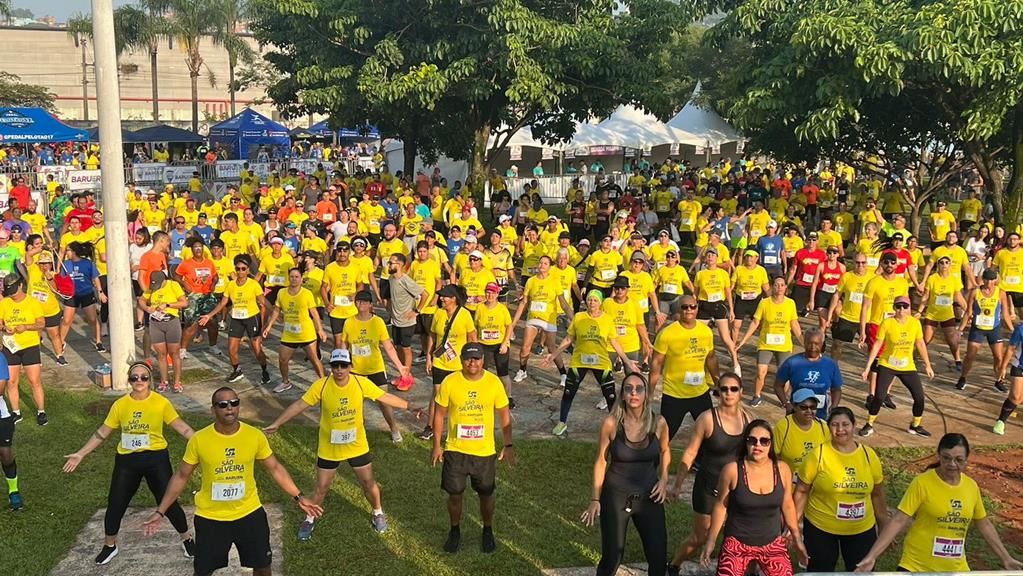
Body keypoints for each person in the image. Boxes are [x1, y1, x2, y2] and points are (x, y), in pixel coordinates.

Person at [142, 387, 323, 576]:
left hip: (249, 514)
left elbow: (275, 468)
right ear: (213, 410)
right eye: (223, 404)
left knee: (262, 567)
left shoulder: (254, 436)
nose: (229, 408)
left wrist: (299, 496)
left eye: (234, 403)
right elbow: (181, 476)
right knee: (203, 571)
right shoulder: (199, 440)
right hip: (211, 518)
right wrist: (160, 511)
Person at [263, 349, 423, 540]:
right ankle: (309, 518)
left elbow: (384, 397)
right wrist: (277, 423)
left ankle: (378, 512)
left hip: (357, 445)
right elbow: (299, 405)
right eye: (335, 365)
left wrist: (409, 406)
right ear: (331, 368)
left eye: (343, 366)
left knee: (367, 482)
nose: (339, 370)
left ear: (350, 367)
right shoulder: (321, 386)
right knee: (321, 487)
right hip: (329, 447)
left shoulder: (360, 383)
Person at [63, 362, 196, 565]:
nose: (139, 381)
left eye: (144, 377)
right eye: (134, 378)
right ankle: (110, 545)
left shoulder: (161, 403)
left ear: (150, 380)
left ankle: (187, 539)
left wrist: (203, 444)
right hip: (127, 460)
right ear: (129, 380)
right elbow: (103, 432)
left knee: (168, 501)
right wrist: (81, 454)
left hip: (156, 458)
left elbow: (182, 427)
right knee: (116, 502)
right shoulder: (120, 405)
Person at [855, 434, 1023, 573]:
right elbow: (899, 520)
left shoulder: (971, 487)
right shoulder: (922, 483)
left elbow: (984, 523)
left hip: (956, 569)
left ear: (967, 460)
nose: (952, 464)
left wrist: (1006, 558)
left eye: (959, 460)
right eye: (946, 458)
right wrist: (872, 556)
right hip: (917, 567)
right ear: (938, 455)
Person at [582, 373, 670, 576]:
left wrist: (664, 479)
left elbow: (665, 451)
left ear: (646, 394)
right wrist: (595, 499)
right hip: (616, 498)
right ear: (622, 395)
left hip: (650, 496)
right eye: (628, 388)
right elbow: (601, 460)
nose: (633, 393)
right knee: (612, 556)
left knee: (658, 556)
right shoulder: (611, 424)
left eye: (639, 388)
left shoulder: (659, 423)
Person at [430, 343, 513, 554]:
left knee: (486, 494)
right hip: (456, 450)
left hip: (484, 452)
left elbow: (504, 415)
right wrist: (437, 445)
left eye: (476, 359)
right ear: (461, 360)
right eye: (468, 358)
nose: (472, 362)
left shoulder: (494, 383)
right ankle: (455, 530)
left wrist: (508, 444)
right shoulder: (450, 381)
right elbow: (439, 414)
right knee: (455, 494)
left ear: (483, 360)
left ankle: (487, 529)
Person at [665, 372, 749, 576]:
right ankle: (674, 565)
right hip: (708, 488)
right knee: (700, 537)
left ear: (741, 393)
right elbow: (691, 452)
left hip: (735, 489)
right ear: (718, 392)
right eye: (724, 389)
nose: (728, 393)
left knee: (736, 536)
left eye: (733, 389)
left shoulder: (747, 418)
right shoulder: (707, 418)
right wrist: (677, 484)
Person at [701, 420, 806, 576]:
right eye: (752, 440)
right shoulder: (732, 470)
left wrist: (797, 538)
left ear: (771, 444)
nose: (758, 445)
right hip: (737, 543)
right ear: (746, 442)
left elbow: (787, 505)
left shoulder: (782, 469)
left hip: (772, 542)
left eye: (764, 441)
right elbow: (721, 506)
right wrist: (710, 541)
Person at [794, 407, 887, 572]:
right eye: (835, 425)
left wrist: (884, 525)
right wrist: (793, 526)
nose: (840, 430)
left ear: (854, 425)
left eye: (845, 424)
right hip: (821, 529)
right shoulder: (818, 455)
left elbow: (877, 495)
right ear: (829, 427)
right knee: (820, 572)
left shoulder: (869, 455)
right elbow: (802, 491)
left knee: (862, 571)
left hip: (861, 529)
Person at [543, 289, 639, 436]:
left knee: (610, 396)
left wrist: (626, 361)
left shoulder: (607, 319)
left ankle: (619, 425)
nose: (592, 302)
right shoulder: (579, 317)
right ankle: (562, 422)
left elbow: (614, 342)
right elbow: (569, 339)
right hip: (579, 362)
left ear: (600, 303)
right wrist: (553, 355)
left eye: (595, 300)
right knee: (568, 393)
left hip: (601, 363)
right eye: (589, 299)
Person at [342, 290, 411, 442]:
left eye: (365, 302)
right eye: (359, 301)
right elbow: (343, 345)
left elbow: (389, 347)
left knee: (384, 401)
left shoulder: (378, 322)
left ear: (370, 305)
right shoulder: (349, 322)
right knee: (355, 403)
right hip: (356, 370)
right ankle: (359, 433)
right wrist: (341, 364)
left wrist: (400, 367)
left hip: (375, 368)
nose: (361, 305)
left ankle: (394, 429)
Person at [860, 295, 934, 437]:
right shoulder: (887, 323)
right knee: (879, 397)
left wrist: (928, 365)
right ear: (894, 308)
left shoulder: (915, 324)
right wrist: (867, 367)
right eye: (898, 306)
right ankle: (869, 424)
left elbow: (920, 344)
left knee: (919, 397)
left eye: (904, 306)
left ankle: (915, 425)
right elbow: (877, 345)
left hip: (907, 366)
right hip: (887, 364)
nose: (901, 310)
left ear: (909, 308)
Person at [651, 295, 721, 440]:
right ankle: (654, 462)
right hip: (674, 395)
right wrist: (649, 392)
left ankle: (700, 462)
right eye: (685, 307)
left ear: (697, 309)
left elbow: (711, 358)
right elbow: (656, 363)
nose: (689, 310)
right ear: (678, 309)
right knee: (663, 438)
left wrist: (718, 382)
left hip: (700, 393)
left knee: (711, 437)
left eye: (692, 306)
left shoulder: (706, 332)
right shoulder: (666, 334)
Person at [198, 255, 271, 386]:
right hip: (236, 318)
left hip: (251, 318)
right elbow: (223, 303)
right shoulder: (231, 285)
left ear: (248, 270)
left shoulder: (253, 284)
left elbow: (263, 301)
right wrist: (209, 315)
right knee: (231, 348)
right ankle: (237, 370)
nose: (240, 272)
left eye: (243, 269)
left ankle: (265, 370)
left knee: (256, 348)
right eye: (238, 269)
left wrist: (276, 313)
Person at [419, 284, 477, 441]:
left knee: (458, 397)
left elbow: (472, 338)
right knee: (437, 394)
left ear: (453, 299)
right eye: (441, 296)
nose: (441, 298)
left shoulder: (464, 315)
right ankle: (430, 427)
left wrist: (473, 360)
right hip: (440, 362)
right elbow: (432, 335)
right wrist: (429, 357)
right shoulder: (438, 313)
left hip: (458, 365)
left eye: (445, 296)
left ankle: (458, 427)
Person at [737, 275, 803, 406]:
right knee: (761, 372)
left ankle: (785, 399)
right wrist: (743, 340)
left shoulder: (790, 303)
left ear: (786, 288)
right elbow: (755, 322)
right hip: (766, 343)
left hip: (784, 345)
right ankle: (757, 395)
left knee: (784, 374)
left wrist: (803, 342)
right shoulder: (764, 302)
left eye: (782, 285)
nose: (779, 287)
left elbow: (794, 324)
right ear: (772, 287)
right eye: (776, 285)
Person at [261, 268, 327, 393]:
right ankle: (285, 382)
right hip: (289, 333)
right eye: (292, 276)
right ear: (288, 278)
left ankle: (323, 383)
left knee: (313, 358)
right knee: (282, 359)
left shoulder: (306, 293)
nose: (294, 279)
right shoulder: (282, 293)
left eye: (297, 277)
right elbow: (276, 310)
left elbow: (314, 312)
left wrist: (320, 330)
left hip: (306, 333)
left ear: (301, 279)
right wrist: (269, 326)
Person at [0, 266, 46, 425]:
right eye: (9, 290)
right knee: (11, 382)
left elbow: (41, 323)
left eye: (14, 289)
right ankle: (16, 412)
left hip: (29, 346)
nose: (12, 293)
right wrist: (4, 327)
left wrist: (26, 327)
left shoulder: (32, 302)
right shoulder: (4, 303)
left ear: (20, 285)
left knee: (34, 381)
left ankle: (41, 411)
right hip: (10, 346)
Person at [957, 268, 1013, 391]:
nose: (989, 283)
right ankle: (963, 377)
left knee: (998, 357)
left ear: (995, 280)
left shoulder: (1000, 293)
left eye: (992, 280)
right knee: (970, 356)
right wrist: (960, 329)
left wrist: (1012, 329)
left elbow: (1005, 313)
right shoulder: (975, 292)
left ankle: (998, 381)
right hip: (978, 328)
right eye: (987, 280)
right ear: (983, 279)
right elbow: (968, 312)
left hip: (994, 328)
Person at [774, 327, 842, 419]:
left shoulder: (830, 365)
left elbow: (836, 389)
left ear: (822, 344)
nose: (813, 347)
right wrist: (786, 403)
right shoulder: (792, 362)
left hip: (820, 416)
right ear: (804, 342)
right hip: (796, 414)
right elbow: (778, 385)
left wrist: (834, 406)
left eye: (817, 344)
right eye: (809, 343)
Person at [139, 271, 187, 392]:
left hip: (171, 322)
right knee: (161, 354)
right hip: (156, 323)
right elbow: (141, 300)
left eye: (158, 285)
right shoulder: (152, 287)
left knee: (174, 353)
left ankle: (177, 382)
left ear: (164, 281)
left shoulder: (173, 285)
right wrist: (146, 308)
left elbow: (184, 302)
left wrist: (168, 305)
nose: (156, 288)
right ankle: (164, 381)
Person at [917, 255, 966, 370]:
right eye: (941, 263)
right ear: (938, 265)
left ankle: (957, 360)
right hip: (932, 314)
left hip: (947, 315)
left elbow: (958, 296)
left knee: (952, 340)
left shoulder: (954, 279)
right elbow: (926, 296)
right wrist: (920, 311)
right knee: (926, 339)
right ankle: (914, 357)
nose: (944, 265)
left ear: (950, 265)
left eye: (946, 263)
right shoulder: (932, 278)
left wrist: (967, 309)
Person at [772, 389, 830, 472]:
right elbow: (773, 455)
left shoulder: (823, 427)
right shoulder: (783, 427)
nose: (809, 411)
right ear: (794, 407)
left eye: (813, 407)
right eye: (804, 407)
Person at [0, 351, 19, 511]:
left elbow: (0, 388)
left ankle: (13, 490)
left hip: (1, 417)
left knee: (5, 454)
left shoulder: (0, 358)